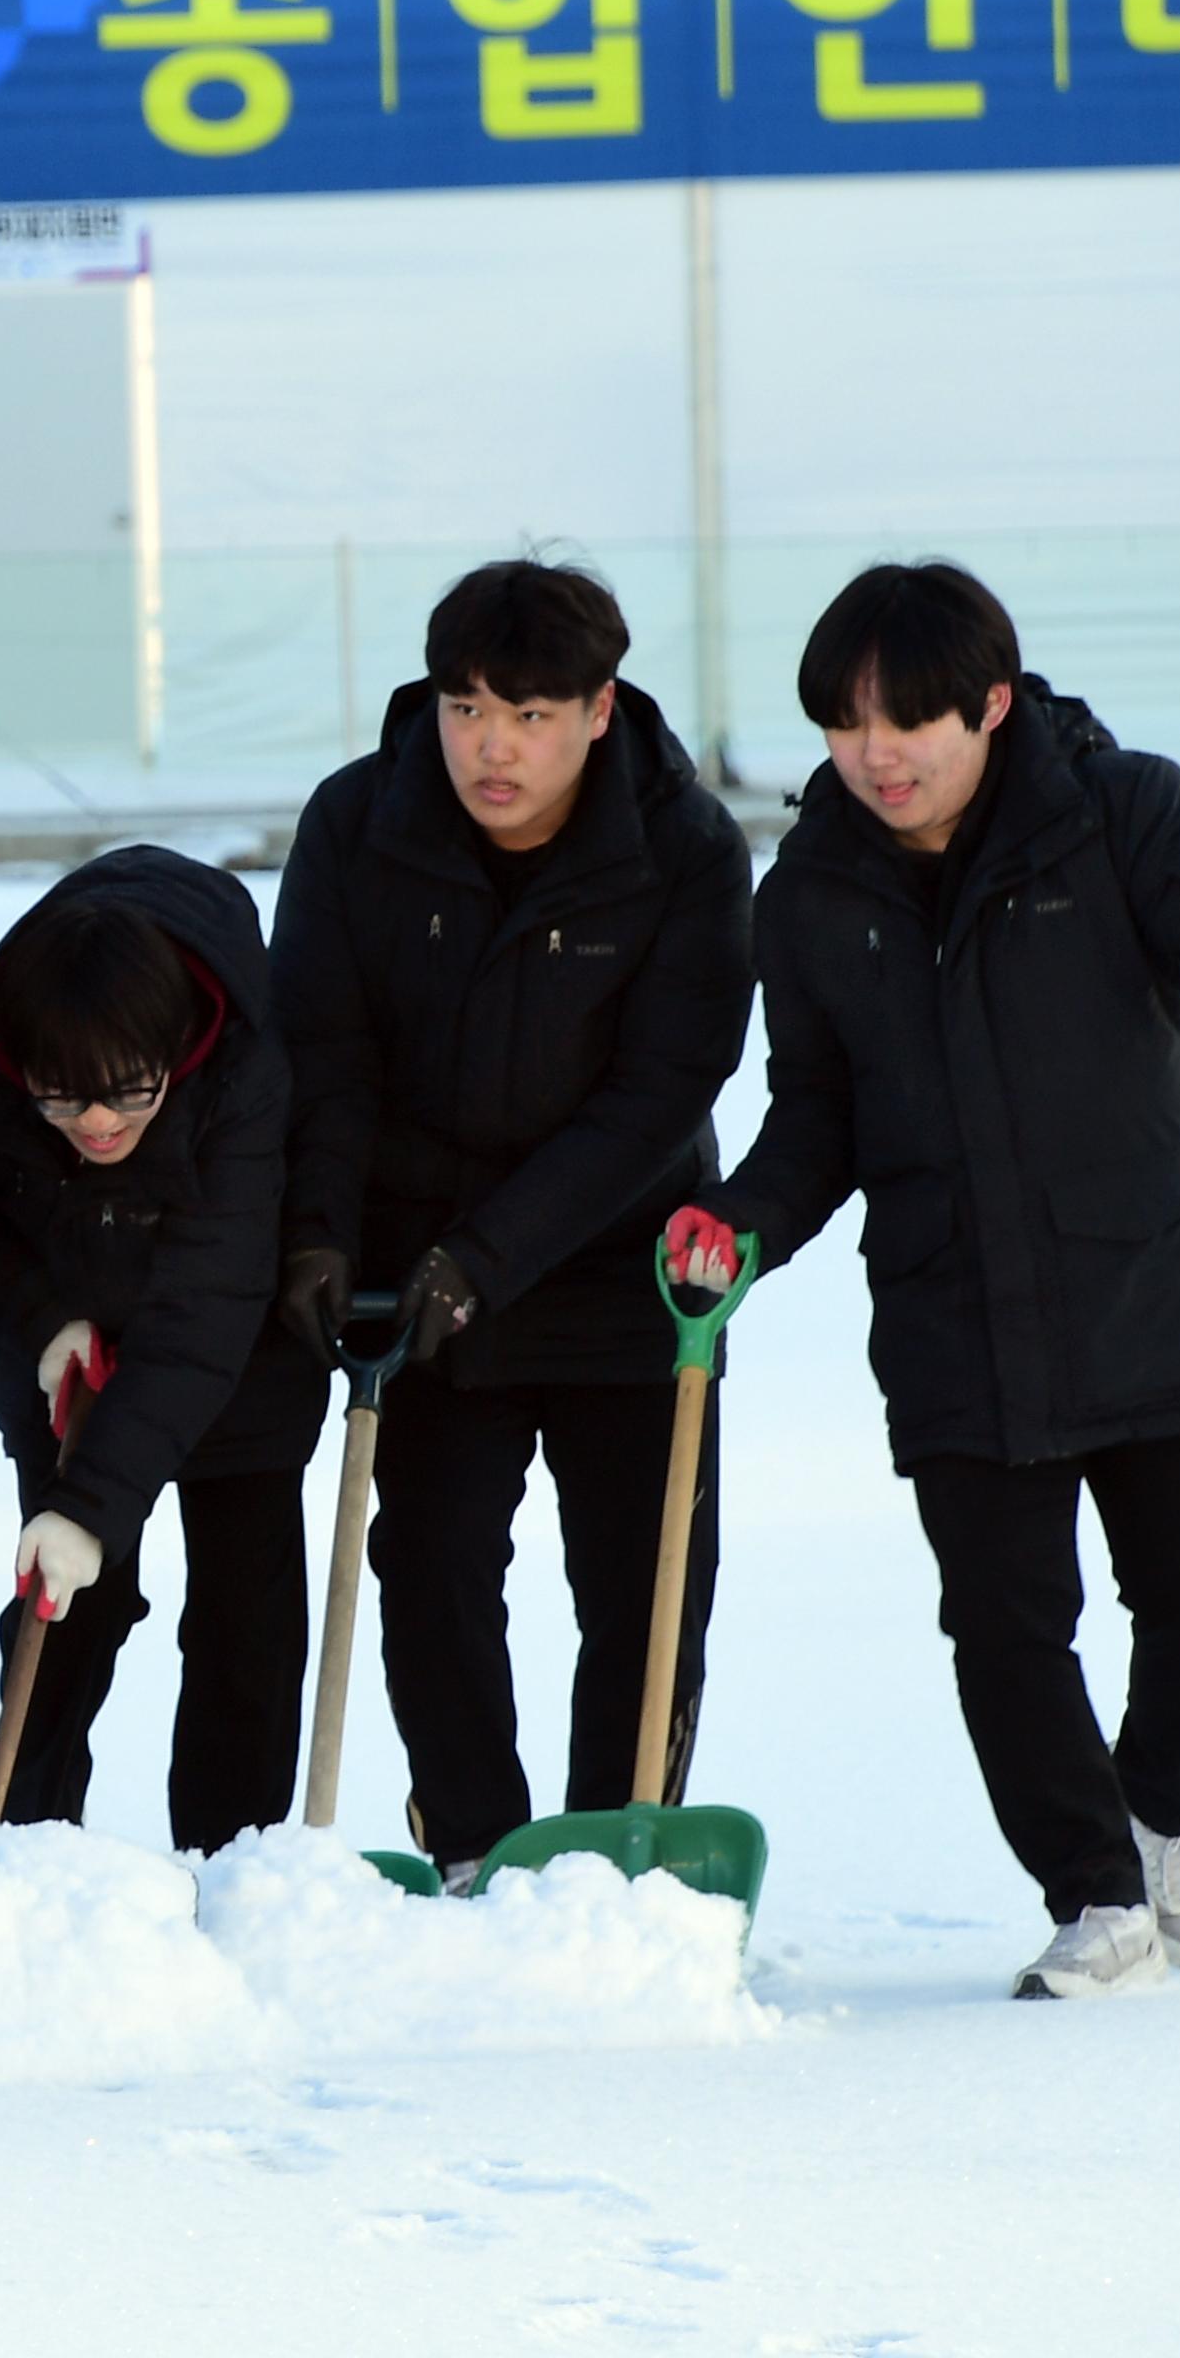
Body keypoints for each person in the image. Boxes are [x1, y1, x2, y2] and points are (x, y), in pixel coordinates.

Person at [671, 561, 1180, 1998]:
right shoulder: (816, 892)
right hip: (956, 1315)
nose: (874, 757)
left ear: (995, 706)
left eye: (908, 723)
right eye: (843, 725)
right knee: (1006, 1628)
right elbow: (818, 1114)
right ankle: (1093, 1899)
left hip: (1155, 1285)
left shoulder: (1121, 813)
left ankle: (1153, 1825)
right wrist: (741, 1223)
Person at [271, 558, 754, 1889]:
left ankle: (614, 1856)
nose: (493, 745)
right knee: (425, 1567)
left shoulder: (685, 846)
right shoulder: (358, 823)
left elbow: (661, 1093)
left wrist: (484, 1263)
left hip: (615, 1255)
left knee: (643, 1586)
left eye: (532, 714)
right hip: (415, 1260)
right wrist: (320, 1235)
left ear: (601, 710)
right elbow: (323, 1051)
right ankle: (478, 1840)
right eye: (467, 705)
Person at [0, 848, 326, 1850]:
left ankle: (230, 1862)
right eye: (64, 1098)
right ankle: (28, 1849)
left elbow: (208, 1303)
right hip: (64, 1356)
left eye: (129, 1091)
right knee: (67, 1598)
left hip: (235, 1352)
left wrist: (89, 1507)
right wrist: (37, 1313)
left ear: (176, 1046)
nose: (98, 1121)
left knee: (245, 1625)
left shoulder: (246, 1067)